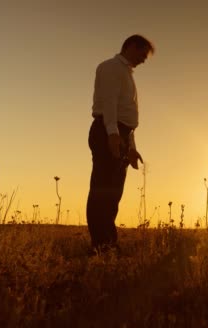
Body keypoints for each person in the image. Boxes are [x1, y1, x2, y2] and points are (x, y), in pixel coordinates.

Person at [86, 34, 155, 254]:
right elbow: (109, 103)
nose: (144, 59)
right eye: (142, 54)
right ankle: (100, 246)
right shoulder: (111, 67)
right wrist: (113, 135)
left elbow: (126, 117)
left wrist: (131, 146)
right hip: (108, 131)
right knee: (102, 190)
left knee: (113, 193)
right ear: (131, 46)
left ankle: (108, 243)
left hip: (119, 132)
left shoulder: (126, 73)